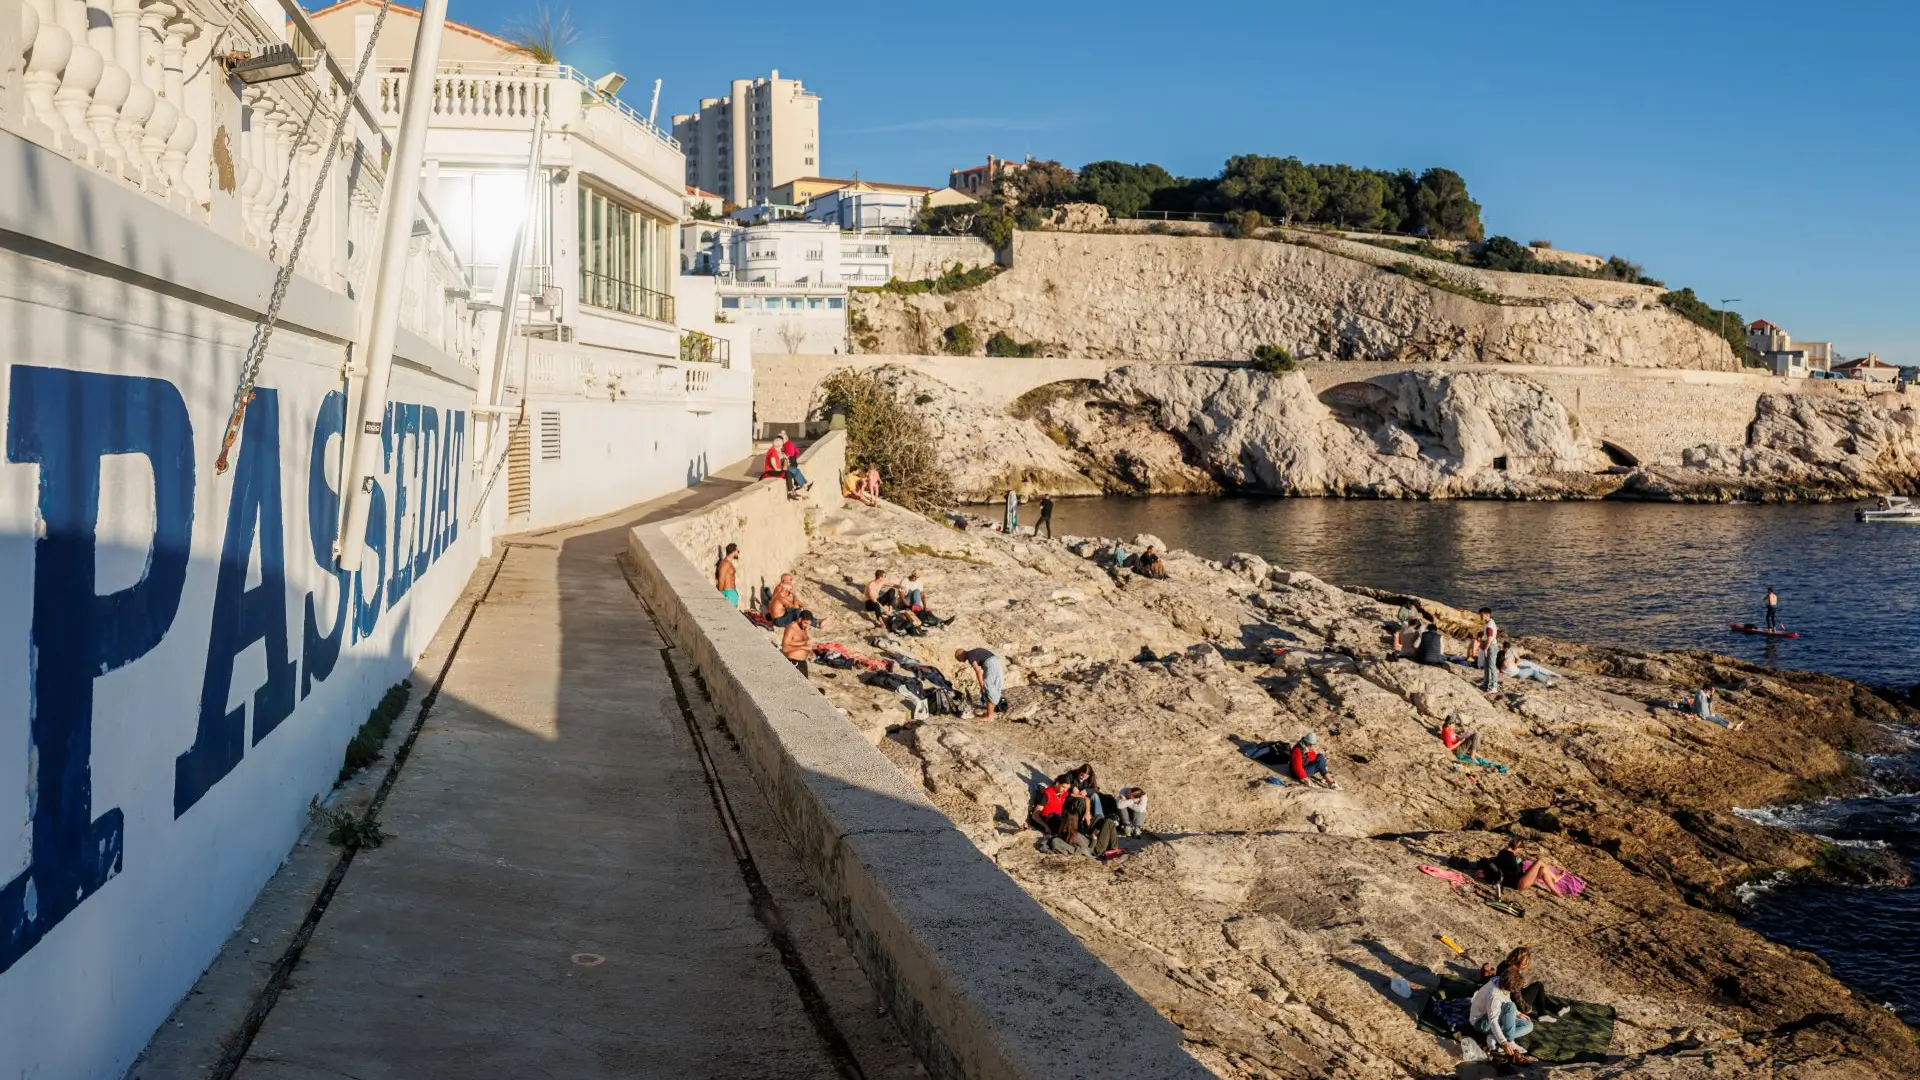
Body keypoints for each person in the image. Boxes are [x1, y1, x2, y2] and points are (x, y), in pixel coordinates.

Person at [1470, 959, 1537, 1063]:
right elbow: (1493, 1021)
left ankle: (1494, 1038)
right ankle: (1509, 1041)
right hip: (1482, 1023)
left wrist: (1518, 1014)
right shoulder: (1494, 996)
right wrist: (1504, 1042)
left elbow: (1506, 999)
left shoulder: (1499, 980)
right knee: (1511, 1006)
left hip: (1495, 1013)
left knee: (1528, 1025)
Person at [956, 646, 1005, 721]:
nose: (960, 661)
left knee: (988, 688)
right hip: (995, 663)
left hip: (990, 665)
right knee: (994, 687)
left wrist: (982, 685)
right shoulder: (973, 653)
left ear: (960, 654)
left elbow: (978, 671)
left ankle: (990, 716)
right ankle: (990, 712)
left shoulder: (969, 656)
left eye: (958, 659)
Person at [1477, 608, 1500, 693]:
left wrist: (1485, 649)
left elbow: (1490, 639)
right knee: (1486, 666)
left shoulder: (1489, 625)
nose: (1480, 616)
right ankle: (1486, 683)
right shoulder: (1489, 622)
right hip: (1489, 646)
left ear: (1487, 615)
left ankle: (1494, 687)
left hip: (1491, 647)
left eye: (1481, 614)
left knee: (1492, 666)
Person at [715, 543, 740, 609]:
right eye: (738, 551)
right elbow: (721, 579)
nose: (738, 552)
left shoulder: (729, 563)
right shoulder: (725, 564)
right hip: (728, 593)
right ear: (733, 551)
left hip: (732, 593)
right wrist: (720, 595)